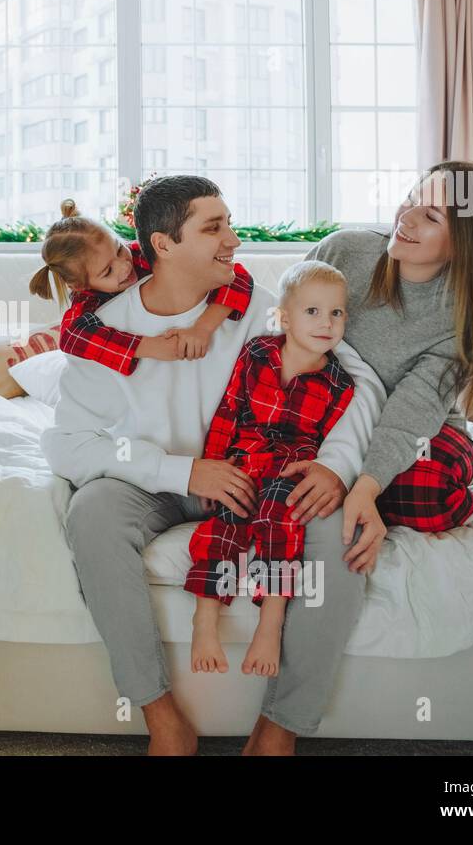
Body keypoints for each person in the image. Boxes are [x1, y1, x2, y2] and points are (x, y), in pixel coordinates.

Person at [41, 175, 387, 756]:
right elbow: (66, 444)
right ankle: (162, 716)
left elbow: (362, 381)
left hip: (259, 480)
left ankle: (280, 728)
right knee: (91, 512)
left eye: (229, 221)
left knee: (335, 523)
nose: (234, 236)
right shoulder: (108, 332)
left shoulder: (257, 305)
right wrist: (181, 471)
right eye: (214, 226)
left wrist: (336, 466)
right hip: (155, 483)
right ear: (163, 245)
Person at [241, 159, 473, 756]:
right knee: (279, 479)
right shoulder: (346, 252)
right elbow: (281, 330)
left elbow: (413, 406)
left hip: (416, 426)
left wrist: (366, 487)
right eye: (408, 200)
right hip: (320, 418)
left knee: (424, 493)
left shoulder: (461, 313)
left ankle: (283, 725)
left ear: (467, 242)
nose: (404, 218)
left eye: (429, 216)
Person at [186, 261, 358, 680]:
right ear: (284, 318)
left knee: (280, 524)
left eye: (336, 313)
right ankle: (204, 621)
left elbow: (337, 445)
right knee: (222, 526)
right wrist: (213, 461)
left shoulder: (340, 384)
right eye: (312, 312)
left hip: (289, 470)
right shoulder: (258, 353)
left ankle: (271, 621)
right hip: (244, 459)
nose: (326, 323)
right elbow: (228, 409)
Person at [29, 198, 254, 370]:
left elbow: (237, 277)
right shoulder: (86, 300)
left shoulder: (145, 254)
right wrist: (150, 346)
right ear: (81, 285)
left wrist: (202, 328)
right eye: (108, 271)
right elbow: (71, 337)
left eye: (119, 249)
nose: (124, 266)